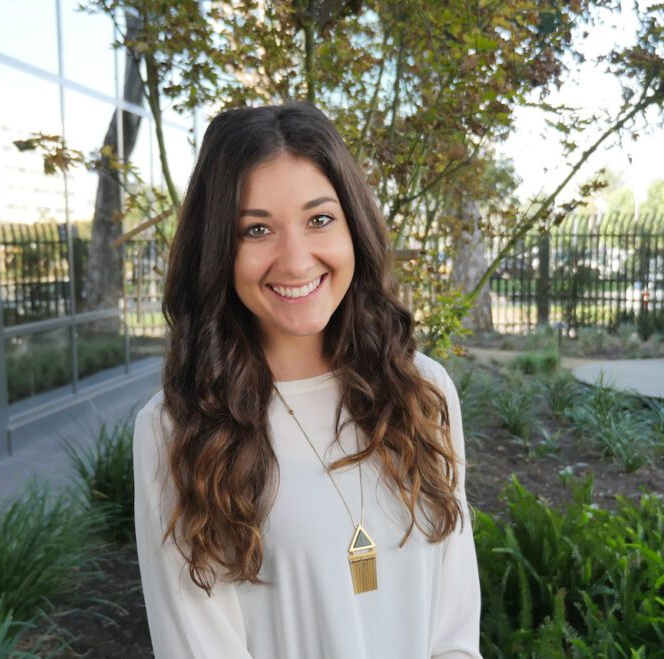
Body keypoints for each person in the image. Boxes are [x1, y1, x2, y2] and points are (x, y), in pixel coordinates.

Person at [133, 102, 482, 658]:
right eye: (256, 229)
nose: (295, 261)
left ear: (354, 230)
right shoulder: (178, 428)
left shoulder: (425, 393)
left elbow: (455, 628)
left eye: (319, 219)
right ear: (218, 249)